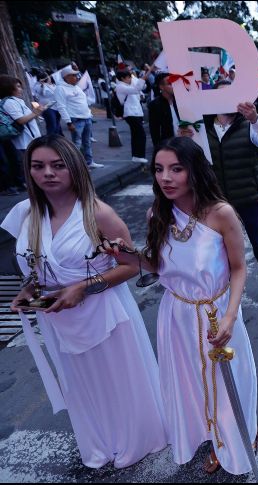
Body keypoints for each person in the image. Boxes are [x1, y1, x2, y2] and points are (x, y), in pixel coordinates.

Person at [2, 135, 167, 469]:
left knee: (118, 381)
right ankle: (102, 440)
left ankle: (136, 439)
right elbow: (37, 264)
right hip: (58, 317)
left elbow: (131, 264)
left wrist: (84, 287)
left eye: (57, 165)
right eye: (38, 166)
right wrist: (27, 290)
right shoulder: (24, 213)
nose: (47, 173)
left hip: (103, 313)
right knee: (81, 385)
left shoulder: (97, 214)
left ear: (74, 167)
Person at [103, 137, 258, 475]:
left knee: (231, 377)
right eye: (159, 169)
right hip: (176, 314)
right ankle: (209, 431)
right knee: (190, 381)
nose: (166, 177)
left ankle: (237, 436)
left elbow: (238, 267)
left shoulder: (221, 213)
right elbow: (158, 266)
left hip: (217, 312)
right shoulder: (157, 213)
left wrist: (231, 315)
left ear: (194, 171)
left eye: (176, 169)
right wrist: (126, 255)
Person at [178, 80, 258, 303]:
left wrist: (255, 119)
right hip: (217, 200)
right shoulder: (203, 127)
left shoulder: (248, 126)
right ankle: (223, 287)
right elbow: (187, 158)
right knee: (216, 247)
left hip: (248, 197)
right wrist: (183, 138)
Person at [0, 75, 45, 192]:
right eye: (18, 87)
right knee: (26, 163)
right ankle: (25, 184)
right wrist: (36, 112)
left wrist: (36, 113)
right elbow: (21, 120)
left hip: (30, 138)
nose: (21, 89)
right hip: (24, 140)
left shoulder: (17, 101)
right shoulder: (9, 102)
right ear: (8, 88)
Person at [54, 66, 103, 169]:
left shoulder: (76, 87)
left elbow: (82, 101)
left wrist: (89, 114)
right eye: (74, 75)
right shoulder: (60, 88)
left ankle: (89, 162)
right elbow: (61, 107)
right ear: (66, 77)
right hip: (76, 119)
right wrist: (68, 122)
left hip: (86, 118)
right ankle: (77, 166)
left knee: (87, 142)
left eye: (76, 75)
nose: (77, 77)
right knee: (77, 144)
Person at [115, 69, 153, 163]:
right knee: (140, 134)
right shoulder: (120, 87)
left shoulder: (128, 85)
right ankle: (138, 155)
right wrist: (145, 76)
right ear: (123, 78)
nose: (130, 79)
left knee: (136, 134)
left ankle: (136, 156)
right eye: (128, 77)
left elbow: (141, 88)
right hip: (130, 114)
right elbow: (136, 89)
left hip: (136, 113)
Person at [148, 72, 180, 151]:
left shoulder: (180, 100)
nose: (173, 85)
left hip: (185, 142)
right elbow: (154, 131)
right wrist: (158, 150)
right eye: (169, 83)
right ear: (161, 87)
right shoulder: (155, 105)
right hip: (169, 145)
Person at [33, 70, 61, 135]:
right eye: (47, 77)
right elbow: (42, 92)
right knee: (52, 126)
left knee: (57, 125)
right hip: (47, 107)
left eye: (48, 76)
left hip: (56, 107)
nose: (49, 78)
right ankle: (49, 140)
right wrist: (42, 84)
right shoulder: (38, 86)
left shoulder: (53, 85)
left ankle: (56, 140)